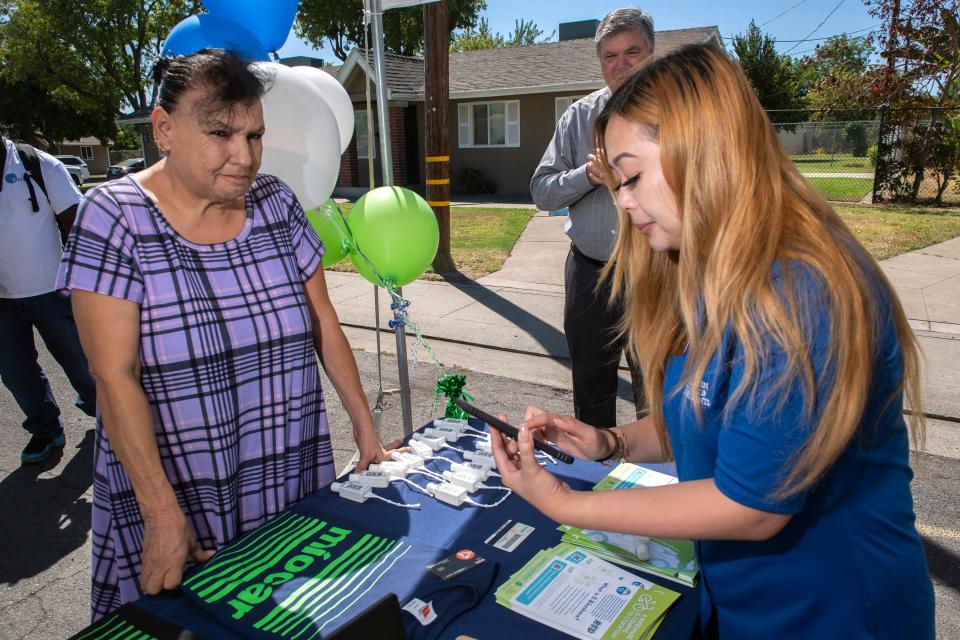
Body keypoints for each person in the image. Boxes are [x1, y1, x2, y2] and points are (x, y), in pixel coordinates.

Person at [492, 44, 935, 638]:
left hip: (835, 614)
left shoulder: (803, 290)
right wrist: (610, 441)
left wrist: (564, 503)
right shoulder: (704, 269)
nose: (622, 200)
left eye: (633, 176)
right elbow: (701, 414)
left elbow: (750, 507)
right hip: (742, 602)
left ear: (702, 154)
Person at [57, 50, 398, 621]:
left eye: (255, 135)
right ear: (163, 129)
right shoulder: (114, 217)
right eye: (220, 134)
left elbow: (323, 321)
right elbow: (113, 376)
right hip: (181, 493)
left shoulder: (276, 202)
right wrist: (163, 515)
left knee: (294, 618)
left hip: (288, 470)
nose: (244, 157)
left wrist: (367, 434)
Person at [530, 8, 654, 428]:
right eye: (610, 56)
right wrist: (586, 175)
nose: (620, 64)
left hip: (656, 274)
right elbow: (542, 191)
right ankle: (596, 479)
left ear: (651, 53)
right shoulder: (578, 117)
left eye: (631, 52)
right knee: (590, 386)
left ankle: (659, 481)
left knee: (658, 390)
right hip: (590, 273)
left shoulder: (681, 114)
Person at [0, 136, 97, 464]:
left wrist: (80, 282)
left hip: (52, 290)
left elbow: (76, 223)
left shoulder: (36, 165)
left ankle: (105, 414)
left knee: (80, 360)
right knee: (15, 371)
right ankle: (45, 429)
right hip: (3, 299)